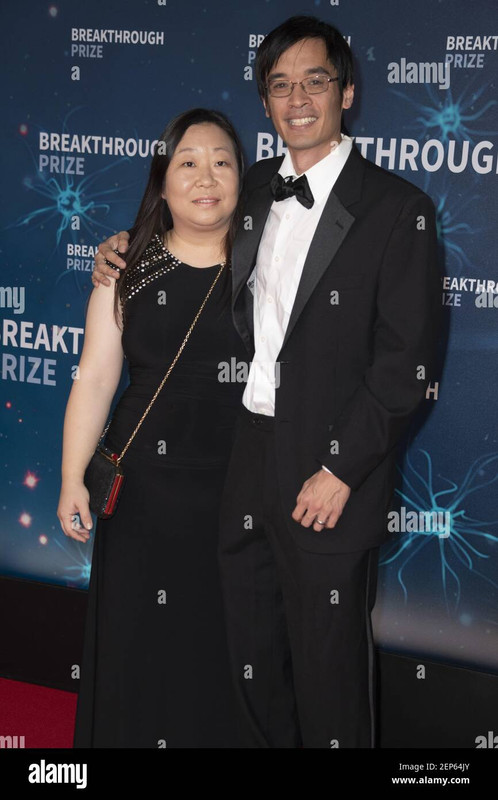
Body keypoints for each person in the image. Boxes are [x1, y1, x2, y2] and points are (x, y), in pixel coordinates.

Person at [93, 16, 441, 748]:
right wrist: (122, 246)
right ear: (266, 103)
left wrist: (340, 469)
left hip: (330, 470)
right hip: (245, 459)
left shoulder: (397, 209)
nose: (299, 99)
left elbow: (406, 366)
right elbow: (180, 233)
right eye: (280, 86)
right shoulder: (248, 189)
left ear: (347, 93)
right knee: (249, 662)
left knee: (328, 674)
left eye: (316, 80)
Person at [58, 108, 248, 748]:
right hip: (140, 496)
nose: (205, 176)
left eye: (222, 161)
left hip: (235, 497)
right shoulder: (124, 270)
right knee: (138, 642)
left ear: (241, 178)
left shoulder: (269, 272)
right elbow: (93, 380)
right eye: (187, 162)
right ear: (162, 180)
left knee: (219, 648)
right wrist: (69, 481)